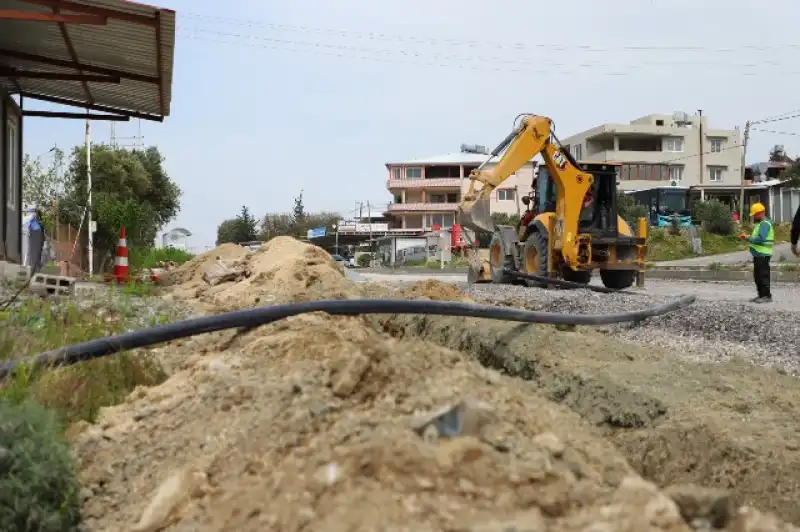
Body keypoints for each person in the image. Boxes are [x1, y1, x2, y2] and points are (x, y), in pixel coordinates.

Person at [739, 202, 773, 303]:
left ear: (760, 213)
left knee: (763, 275)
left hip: (763, 254)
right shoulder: (761, 224)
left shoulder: (765, 224)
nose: (754, 216)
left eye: (755, 214)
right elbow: (758, 237)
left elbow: (760, 239)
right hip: (759, 254)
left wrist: (748, 238)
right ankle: (761, 295)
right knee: (758, 276)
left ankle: (766, 296)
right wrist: (748, 237)